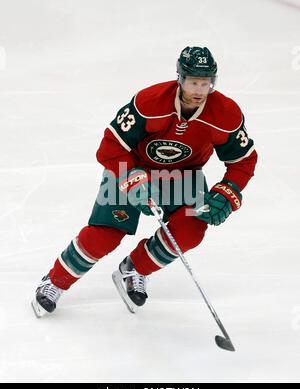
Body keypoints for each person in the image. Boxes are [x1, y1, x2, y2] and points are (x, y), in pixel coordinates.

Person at [32, 46, 258, 317]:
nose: (199, 90)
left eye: (206, 83)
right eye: (193, 81)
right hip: (134, 168)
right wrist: (130, 176)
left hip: (186, 176)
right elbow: (109, 146)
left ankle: (134, 269)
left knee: (190, 230)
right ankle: (54, 282)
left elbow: (243, 161)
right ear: (180, 78)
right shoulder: (148, 102)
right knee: (104, 235)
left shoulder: (226, 114)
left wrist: (227, 190)